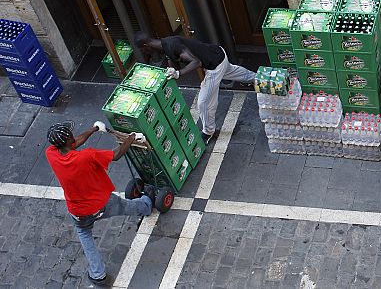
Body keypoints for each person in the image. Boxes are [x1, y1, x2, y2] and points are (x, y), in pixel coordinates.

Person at [45, 121, 153, 286]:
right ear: (68, 138)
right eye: (70, 134)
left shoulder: (51, 153)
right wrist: (131, 138)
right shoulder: (86, 156)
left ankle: (98, 274)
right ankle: (147, 204)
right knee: (126, 206)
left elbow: (74, 143)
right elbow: (116, 155)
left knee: (84, 233)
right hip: (101, 203)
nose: (73, 136)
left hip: (78, 211)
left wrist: (94, 129)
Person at [134, 32, 256, 142]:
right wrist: (172, 69)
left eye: (142, 50)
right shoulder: (165, 43)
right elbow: (173, 60)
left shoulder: (172, 45)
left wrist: (179, 73)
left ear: (146, 46)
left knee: (204, 102)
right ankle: (257, 78)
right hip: (218, 53)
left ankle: (208, 133)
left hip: (214, 66)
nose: (143, 53)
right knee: (232, 71)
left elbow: (196, 62)